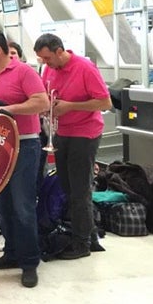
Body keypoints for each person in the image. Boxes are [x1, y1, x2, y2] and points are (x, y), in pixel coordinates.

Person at [0, 29, 48, 288]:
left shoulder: (24, 72)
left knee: (23, 206)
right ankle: (12, 253)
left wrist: (9, 109)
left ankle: (29, 263)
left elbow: (42, 103)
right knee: (2, 205)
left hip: (24, 146)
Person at [34, 33, 111, 259]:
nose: (45, 64)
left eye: (47, 58)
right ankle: (90, 234)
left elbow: (105, 102)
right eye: (42, 60)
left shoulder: (85, 68)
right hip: (62, 132)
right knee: (67, 187)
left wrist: (70, 106)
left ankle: (82, 244)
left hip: (85, 133)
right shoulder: (49, 69)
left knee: (79, 190)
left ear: (60, 51)